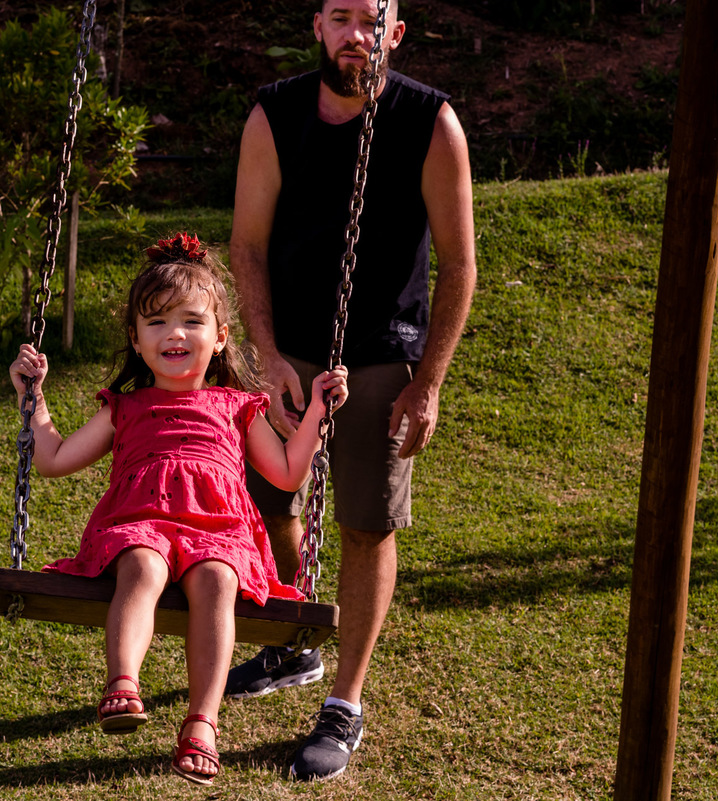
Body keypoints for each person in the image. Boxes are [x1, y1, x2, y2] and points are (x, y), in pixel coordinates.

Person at [226, 0, 477, 782]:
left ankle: (344, 701)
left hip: (381, 355)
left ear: (394, 34)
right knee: (269, 501)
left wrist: (428, 383)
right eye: (341, 17)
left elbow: (459, 264)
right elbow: (247, 245)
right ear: (318, 26)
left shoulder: (430, 123)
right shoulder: (274, 115)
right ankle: (293, 642)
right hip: (289, 355)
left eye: (372, 21)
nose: (355, 35)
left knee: (366, 523)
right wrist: (266, 353)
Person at [8, 232, 349, 786]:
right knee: (141, 566)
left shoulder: (237, 407)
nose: (175, 333)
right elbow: (54, 458)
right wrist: (33, 397)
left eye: (192, 320)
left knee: (218, 580)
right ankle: (123, 684)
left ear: (220, 337)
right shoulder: (125, 407)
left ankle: (202, 722)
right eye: (157, 321)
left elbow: (289, 472)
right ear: (136, 339)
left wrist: (316, 413)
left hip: (219, 530)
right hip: (140, 523)